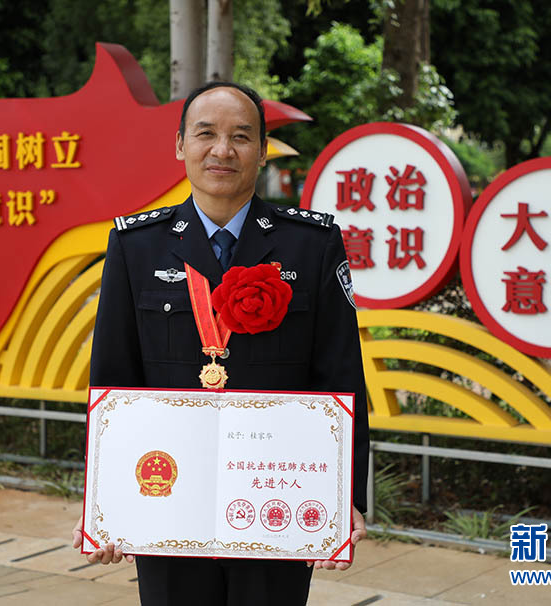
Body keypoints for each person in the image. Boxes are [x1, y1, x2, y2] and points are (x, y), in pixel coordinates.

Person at [72, 81, 369, 606]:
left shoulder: (311, 243)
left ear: (263, 150)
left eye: (241, 136)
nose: (222, 150)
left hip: (275, 495)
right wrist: (104, 500)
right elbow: (114, 375)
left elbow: (340, 375)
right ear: (180, 145)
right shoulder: (136, 244)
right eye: (206, 134)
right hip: (166, 495)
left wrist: (345, 495)